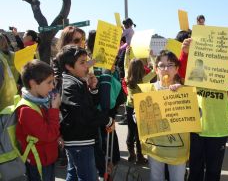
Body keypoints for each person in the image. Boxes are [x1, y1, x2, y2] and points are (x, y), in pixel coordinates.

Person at [180, 38, 228, 181]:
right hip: (196, 128)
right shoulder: (196, 72)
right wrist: (185, 54)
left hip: (218, 130)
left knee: (213, 171)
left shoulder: (224, 75)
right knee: (195, 169)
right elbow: (182, 72)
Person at [57, 45, 114, 180]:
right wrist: (107, 120)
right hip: (79, 140)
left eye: (86, 61)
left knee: (74, 173)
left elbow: (87, 105)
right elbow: (85, 113)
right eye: (82, 63)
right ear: (69, 66)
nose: (86, 66)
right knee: (88, 176)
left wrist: (93, 89)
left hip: (79, 138)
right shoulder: (70, 84)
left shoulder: (76, 81)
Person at [140, 50, 189, 181]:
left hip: (177, 150)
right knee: (156, 178)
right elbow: (138, 116)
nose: (166, 69)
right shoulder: (148, 90)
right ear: (156, 69)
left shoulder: (184, 90)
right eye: (162, 65)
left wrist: (182, 95)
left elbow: (196, 116)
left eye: (170, 65)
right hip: (155, 148)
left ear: (177, 69)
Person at [16, 59, 61, 181]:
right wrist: (55, 109)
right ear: (33, 84)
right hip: (38, 163)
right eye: (49, 82)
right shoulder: (26, 110)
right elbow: (49, 134)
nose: (53, 86)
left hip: (47, 158)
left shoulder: (42, 101)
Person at [124, 46, 156, 164]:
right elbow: (155, 70)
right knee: (140, 133)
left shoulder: (127, 77)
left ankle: (130, 154)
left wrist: (127, 54)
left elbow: (125, 66)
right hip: (140, 109)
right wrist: (151, 56)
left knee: (130, 131)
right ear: (142, 68)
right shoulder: (144, 79)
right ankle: (140, 157)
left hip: (129, 107)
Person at [0, 34, 18, 111]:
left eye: (4, 40)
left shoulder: (14, 55)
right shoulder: (13, 55)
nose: (4, 43)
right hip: (9, 93)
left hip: (12, 92)